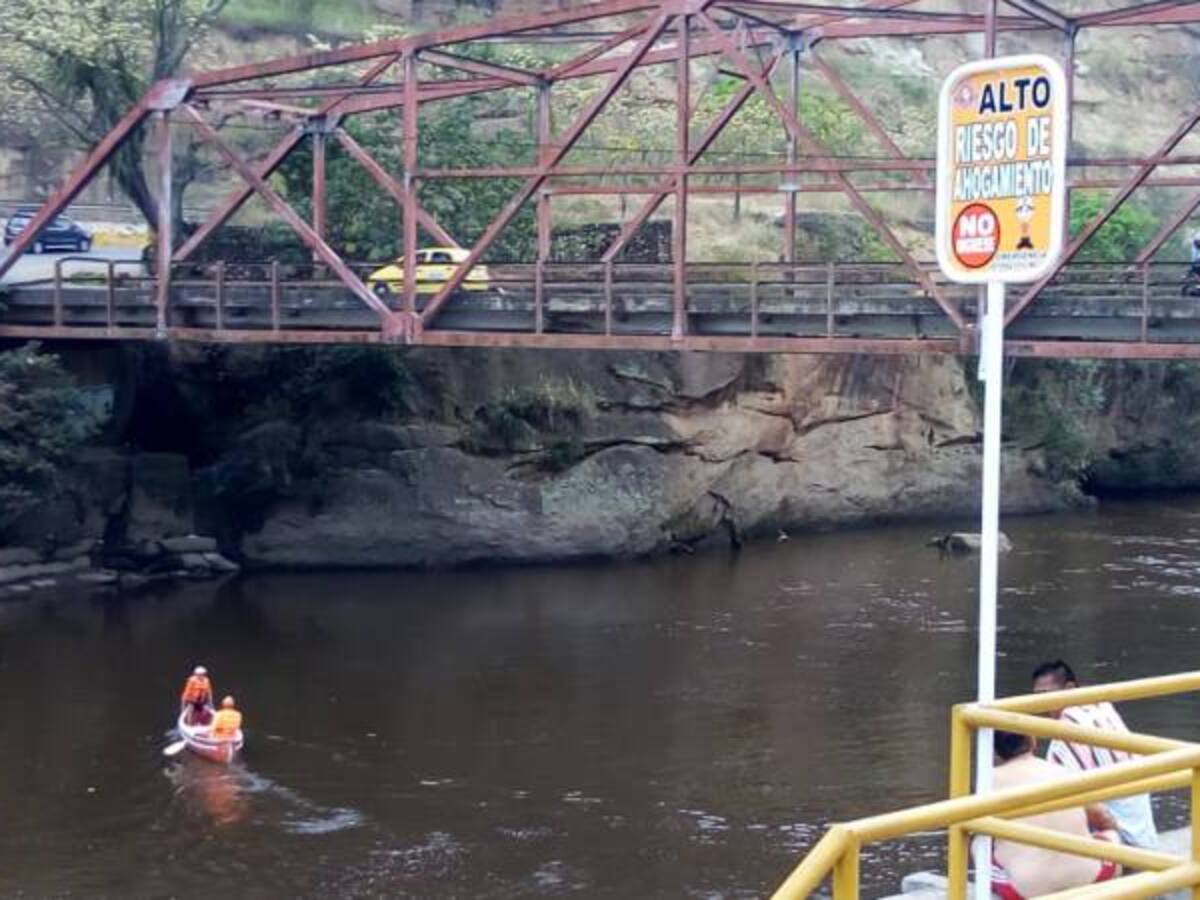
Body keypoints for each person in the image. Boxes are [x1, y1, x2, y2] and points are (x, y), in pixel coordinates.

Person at [1032, 660, 1159, 849]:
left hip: (1122, 843)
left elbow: (1073, 803)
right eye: (1036, 698)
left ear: (1069, 688)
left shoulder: (1065, 733)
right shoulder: (1100, 704)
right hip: (1144, 835)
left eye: (1046, 696)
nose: (1041, 707)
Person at [988, 729, 1121, 899]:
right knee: (1111, 835)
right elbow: (1104, 819)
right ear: (1033, 740)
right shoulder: (1062, 771)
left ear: (995, 752)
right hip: (1089, 879)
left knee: (978, 843)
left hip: (1025, 891)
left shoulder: (987, 782)